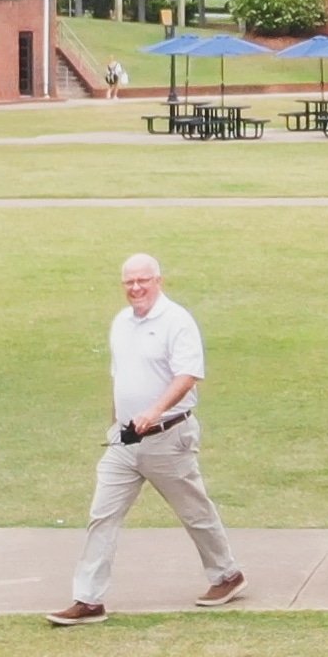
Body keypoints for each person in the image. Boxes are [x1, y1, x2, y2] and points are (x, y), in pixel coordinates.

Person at [48, 253, 246, 625]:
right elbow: (120, 378)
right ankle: (88, 599)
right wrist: (115, 426)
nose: (136, 288)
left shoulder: (176, 321)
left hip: (168, 436)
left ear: (158, 281)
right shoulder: (121, 323)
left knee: (194, 512)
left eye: (143, 280)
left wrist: (153, 412)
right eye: (129, 282)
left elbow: (187, 375)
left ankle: (227, 575)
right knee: (102, 516)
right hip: (125, 442)